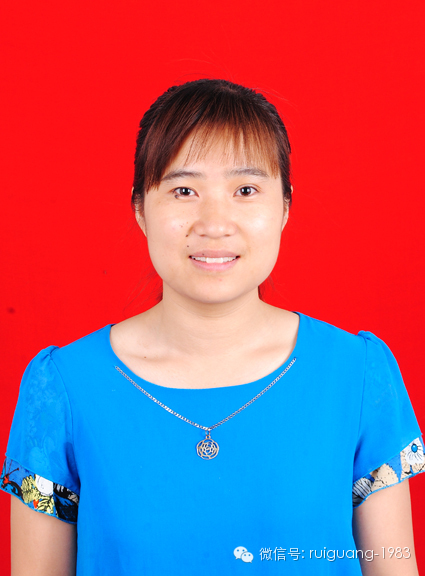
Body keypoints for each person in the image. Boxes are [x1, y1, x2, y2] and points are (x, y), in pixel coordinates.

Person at [1, 79, 424, 576]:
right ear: (140, 208)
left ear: (285, 207)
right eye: (184, 190)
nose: (215, 222)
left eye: (246, 190)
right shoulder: (62, 386)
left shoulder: (358, 374)